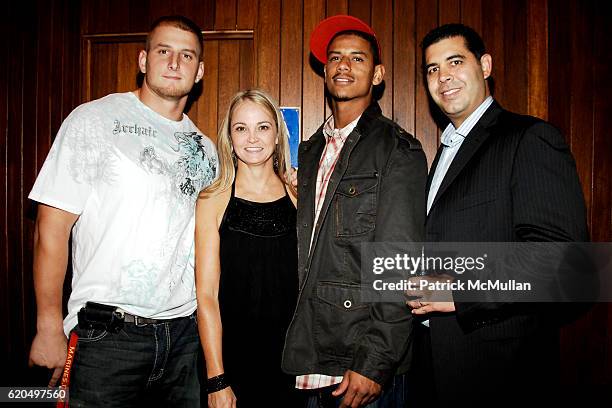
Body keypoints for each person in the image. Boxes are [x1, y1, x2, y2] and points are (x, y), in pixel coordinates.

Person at [27, 15, 217, 407]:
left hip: (183, 338)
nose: (175, 62)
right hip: (107, 336)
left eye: (187, 55)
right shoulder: (94, 121)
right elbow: (51, 226)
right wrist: (47, 324)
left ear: (199, 72)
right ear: (144, 60)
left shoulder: (206, 149)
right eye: (164, 51)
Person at [407, 23, 588, 407]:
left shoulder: (529, 139)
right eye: (432, 69)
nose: (443, 77)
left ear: (485, 65)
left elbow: (566, 263)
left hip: (498, 372)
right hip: (433, 365)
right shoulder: (444, 152)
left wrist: (457, 289)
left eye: (455, 61)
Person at [282, 15, 428, 408]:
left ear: (377, 74)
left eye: (357, 58)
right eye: (335, 57)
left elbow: (400, 261)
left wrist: (375, 361)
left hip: (359, 360)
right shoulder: (311, 150)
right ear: (325, 68)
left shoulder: (399, 149)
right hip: (311, 350)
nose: (343, 65)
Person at [195, 89, 301, 408]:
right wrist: (217, 379)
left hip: (292, 365)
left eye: (263, 127)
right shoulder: (212, 199)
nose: (252, 138)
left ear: (278, 134)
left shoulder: (299, 196)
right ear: (229, 137)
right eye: (241, 128)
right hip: (231, 364)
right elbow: (207, 297)